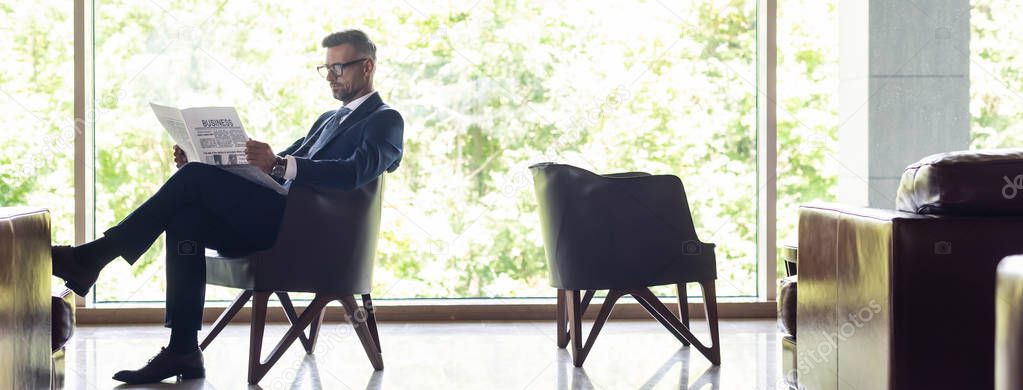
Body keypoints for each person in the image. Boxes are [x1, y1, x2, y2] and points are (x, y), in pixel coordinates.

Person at [50, 29, 403, 384]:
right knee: (187, 211)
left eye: (338, 68)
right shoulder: (328, 119)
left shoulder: (385, 120)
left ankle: (92, 258)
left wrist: (278, 164)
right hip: (279, 222)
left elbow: (354, 172)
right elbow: (277, 171)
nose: (329, 77)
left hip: (310, 239)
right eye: (325, 68)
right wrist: (209, 160)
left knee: (193, 185)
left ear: (367, 66)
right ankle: (183, 349)